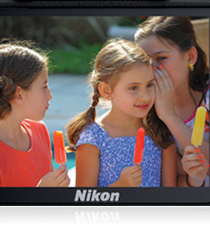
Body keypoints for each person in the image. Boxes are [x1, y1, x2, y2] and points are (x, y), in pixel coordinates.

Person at [66, 39, 177, 187]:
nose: (145, 96)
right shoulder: (93, 138)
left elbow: (170, 198)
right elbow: (84, 200)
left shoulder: (160, 134)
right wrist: (120, 186)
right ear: (106, 91)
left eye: (149, 85)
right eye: (133, 88)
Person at [135, 16, 210, 187]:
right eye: (145, 60)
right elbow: (175, 181)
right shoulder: (143, 107)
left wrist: (169, 116)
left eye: (161, 58)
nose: (152, 68)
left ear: (190, 56)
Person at [0, 42, 70, 187]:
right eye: (44, 87)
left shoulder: (40, 130)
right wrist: (40, 194)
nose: (50, 95)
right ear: (19, 94)